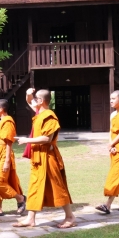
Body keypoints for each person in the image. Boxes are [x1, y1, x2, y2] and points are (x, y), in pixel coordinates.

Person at [14, 89, 76, 228]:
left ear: (41, 101)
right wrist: (29, 93)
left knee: (58, 187)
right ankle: (31, 218)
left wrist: (27, 140)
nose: (33, 100)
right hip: (38, 158)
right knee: (35, 186)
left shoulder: (49, 116)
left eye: (36, 98)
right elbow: (29, 100)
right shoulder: (39, 114)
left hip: (48, 157)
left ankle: (70, 217)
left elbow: (47, 138)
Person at [0, 99, 26, 216]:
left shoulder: (8, 121)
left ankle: (20, 198)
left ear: (1, 109)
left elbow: (9, 142)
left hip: (4, 154)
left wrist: (7, 160)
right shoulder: (2, 121)